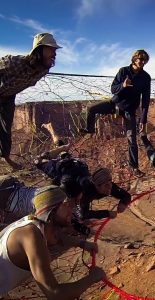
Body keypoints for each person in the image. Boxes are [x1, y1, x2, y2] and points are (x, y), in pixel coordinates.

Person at [0, 186, 105, 298]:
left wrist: (81, 243)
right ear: (51, 210)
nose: (71, 210)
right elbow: (54, 293)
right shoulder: (31, 237)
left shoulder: (36, 223)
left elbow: (57, 236)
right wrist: (92, 278)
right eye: (65, 205)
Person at [79, 49, 151, 177]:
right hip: (115, 104)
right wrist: (122, 85)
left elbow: (145, 101)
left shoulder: (145, 78)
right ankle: (89, 130)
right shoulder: (123, 71)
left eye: (145, 60)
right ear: (134, 59)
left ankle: (134, 167)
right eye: (140, 59)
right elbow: (113, 89)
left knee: (132, 140)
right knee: (91, 109)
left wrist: (143, 121)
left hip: (129, 110)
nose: (143, 61)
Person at [0, 33, 61, 170]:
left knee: (5, 128)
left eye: (55, 50)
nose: (54, 53)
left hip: (8, 97)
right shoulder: (13, 62)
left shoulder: (44, 69)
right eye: (51, 49)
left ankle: (5, 158)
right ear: (40, 50)